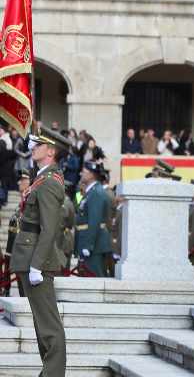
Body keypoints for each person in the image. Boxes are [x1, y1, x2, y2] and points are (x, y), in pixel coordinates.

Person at [12, 127, 70, 377]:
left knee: (49, 326)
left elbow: (49, 228)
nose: (32, 147)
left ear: (51, 151)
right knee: (41, 325)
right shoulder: (42, 178)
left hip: (37, 260)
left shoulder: (49, 183)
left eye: (38, 145)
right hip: (30, 255)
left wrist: (37, 264)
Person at [73, 161, 112, 277]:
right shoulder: (91, 192)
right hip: (89, 242)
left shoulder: (96, 193)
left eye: (84, 171)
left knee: (95, 277)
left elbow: (94, 221)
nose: (81, 174)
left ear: (91, 175)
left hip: (94, 245)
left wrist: (88, 245)